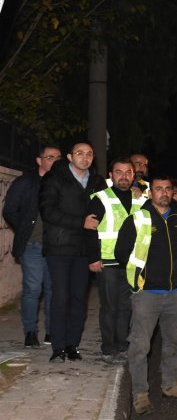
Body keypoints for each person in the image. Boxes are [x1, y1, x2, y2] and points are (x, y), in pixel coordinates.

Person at [115, 175, 177, 415]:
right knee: (140, 345)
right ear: (151, 193)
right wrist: (139, 279)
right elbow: (121, 253)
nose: (163, 193)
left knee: (174, 342)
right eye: (158, 189)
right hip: (147, 294)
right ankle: (139, 394)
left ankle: (171, 385)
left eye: (167, 189)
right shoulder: (138, 219)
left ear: (172, 193)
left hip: (176, 292)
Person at [39, 141, 106, 361]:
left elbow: (109, 204)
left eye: (89, 154)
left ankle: (72, 345)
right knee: (61, 297)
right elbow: (47, 211)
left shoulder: (97, 182)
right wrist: (81, 222)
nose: (85, 158)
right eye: (80, 153)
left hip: (84, 249)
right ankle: (57, 346)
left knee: (79, 298)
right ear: (69, 157)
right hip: (59, 247)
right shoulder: (54, 178)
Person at [87, 158, 146, 362]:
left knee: (126, 306)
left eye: (128, 172)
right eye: (118, 172)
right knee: (109, 306)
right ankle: (108, 346)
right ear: (111, 176)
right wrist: (93, 258)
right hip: (108, 262)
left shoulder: (140, 200)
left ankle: (122, 344)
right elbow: (89, 229)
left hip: (132, 262)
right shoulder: (100, 198)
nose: (123, 176)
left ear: (133, 175)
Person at [2, 145, 60, 348]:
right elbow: (9, 210)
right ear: (39, 160)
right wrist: (24, 230)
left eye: (58, 157)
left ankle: (52, 332)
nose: (55, 160)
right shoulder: (25, 181)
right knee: (32, 289)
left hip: (55, 246)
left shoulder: (61, 183)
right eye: (50, 157)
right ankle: (30, 332)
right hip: (32, 246)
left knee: (54, 290)